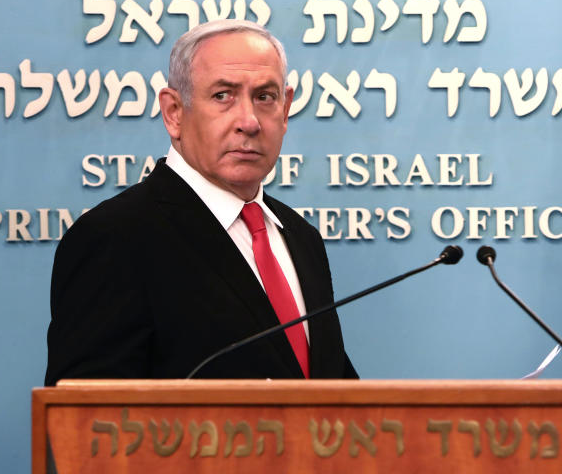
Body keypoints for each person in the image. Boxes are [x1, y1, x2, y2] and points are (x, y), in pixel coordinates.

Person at [44, 20, 357, 384]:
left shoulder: (301, 237)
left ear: (285, 110)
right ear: (174, 112)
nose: (249, 121)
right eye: (223, 95)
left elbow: (333, 390)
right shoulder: (115, 237)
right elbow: (86, 423)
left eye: (265, 97)